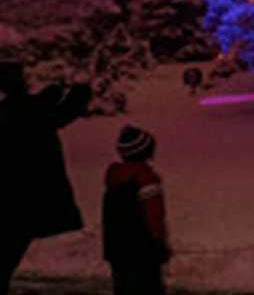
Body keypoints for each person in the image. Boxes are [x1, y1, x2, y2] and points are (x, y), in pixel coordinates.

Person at [0, 62, 91, 295]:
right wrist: (80, 90)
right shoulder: (27, 112)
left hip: (12, 197)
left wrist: (49, 96)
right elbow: (60, 114)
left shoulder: (10, 112)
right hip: (27, 196)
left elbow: (38, 112)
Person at [103, 125, 170, 295]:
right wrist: (160, 245)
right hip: (143, 252)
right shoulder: (146, 180)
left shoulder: (114, 181)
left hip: (118, 252)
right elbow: (154, 216)